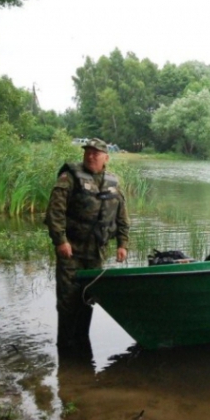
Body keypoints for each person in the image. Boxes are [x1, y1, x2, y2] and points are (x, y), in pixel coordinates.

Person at [44, 138, 129, 350]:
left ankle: (82, 343)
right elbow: (55, 212)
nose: (90, 156)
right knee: (67, 300)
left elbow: (122, 218)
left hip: (96, 253)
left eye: (96, 153)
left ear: (106, 158)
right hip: (71, 250)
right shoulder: (69, 177)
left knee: (88, 298)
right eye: (88, 152)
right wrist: (60, 241)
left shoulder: (113, 183)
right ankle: (65, 346)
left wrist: (122, 244)